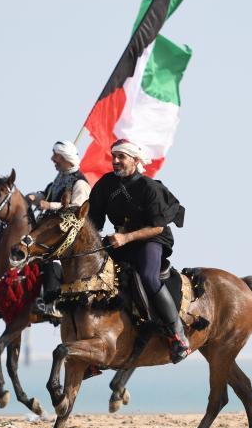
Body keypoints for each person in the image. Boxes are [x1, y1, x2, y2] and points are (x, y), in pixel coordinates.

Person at [87, 139, 189, 363]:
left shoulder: (149, 188)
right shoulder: (106, 185)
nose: (115, 161)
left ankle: (177, 335)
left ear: (134, 160)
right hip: (119, 241)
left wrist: (126, 237)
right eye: (113, 157)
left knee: (148, 277)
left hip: (151, 238)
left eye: (121, 157)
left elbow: (158, 226)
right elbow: (92, 221)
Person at [26, 141, 92, 321]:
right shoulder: (59, 178)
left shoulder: (80, 184)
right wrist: (35, 196)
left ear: (65, 158)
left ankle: (53, 303)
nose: (52, 159)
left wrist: (49, 205)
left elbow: (77, 209)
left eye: (56, 156)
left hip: (71, 235)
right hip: (53, 230)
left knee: (51, 257)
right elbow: (47, 193)